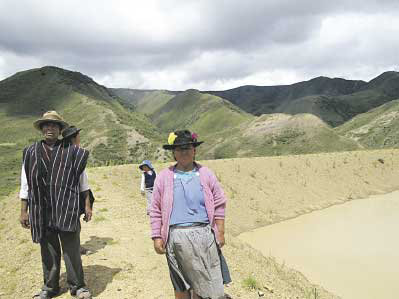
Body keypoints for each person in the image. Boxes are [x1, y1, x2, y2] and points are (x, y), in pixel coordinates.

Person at [19, 111, 92, 299]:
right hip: (41, 210)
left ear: (60, 130)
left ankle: (78, 286)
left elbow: (82, 181)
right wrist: (23, 210)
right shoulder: (30, 152)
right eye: (46, 125)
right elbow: (25, 183)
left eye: (54, 125)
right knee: (48, 250)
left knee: (72, 249)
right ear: (42, 129)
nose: (49, 128)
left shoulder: (72, 151)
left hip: (66, 207)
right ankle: (50, 287)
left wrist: (87, 205)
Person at [150, 130, 230, 299]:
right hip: (176, 238)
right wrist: (157, 236)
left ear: (195, 150)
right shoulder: (164, 177)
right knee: (181, 285)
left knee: (206, 284)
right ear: (173, 153)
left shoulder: (206, 174)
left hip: (204, 237)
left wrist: (220, 232)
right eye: (179, 149)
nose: (184, 152)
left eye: (188, 148)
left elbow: (219, 203)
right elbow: (156, 209)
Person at [62, 126, 95, 254]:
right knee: (74, 224)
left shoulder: (59, 153)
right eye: (78, 136)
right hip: (72, 196)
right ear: (74, 138)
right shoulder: (77, 155)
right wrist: (87, 205)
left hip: (61, 197)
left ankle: (72, 247)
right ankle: (74, 248)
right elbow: (84, 184)